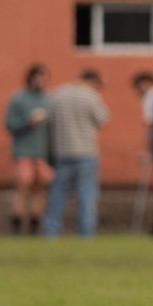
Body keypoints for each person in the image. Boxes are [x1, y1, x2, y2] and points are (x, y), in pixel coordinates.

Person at [42, 69, 110, 238]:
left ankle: (51, 232)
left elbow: (47, 120)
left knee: (58, 194)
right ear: (93, 82)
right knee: (86, 194)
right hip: (86, 152)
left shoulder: (57, 94)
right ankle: (85, 232)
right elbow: (103, 119)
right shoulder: (91, 96)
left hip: (62, 152)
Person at [3, 64, 52, 235]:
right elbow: (9, 124)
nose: (40, 81)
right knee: (23, 188)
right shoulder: (18, 99)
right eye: (37, 77)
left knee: (40, 190)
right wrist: (27, 122)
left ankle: (34, 227)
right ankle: (16, 227)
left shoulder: (49, 100)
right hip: (24, 152)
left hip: (42, 154)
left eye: (43, 78)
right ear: (30, 78)